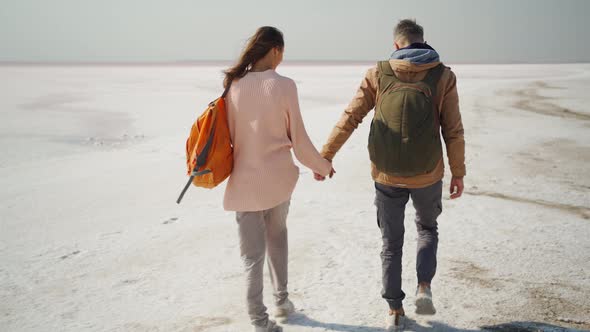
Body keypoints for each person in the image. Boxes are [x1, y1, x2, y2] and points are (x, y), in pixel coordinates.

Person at [316, 19, 466, 330]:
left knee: (391, 242)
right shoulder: (443, 75)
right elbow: (453, 130)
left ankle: (394, 311)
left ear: (397, 44)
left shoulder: (378, 73)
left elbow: (351, 117)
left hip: (386, 175)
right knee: (427, 228)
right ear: (423, 42)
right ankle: (423, 286)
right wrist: (458, 172)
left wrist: (326, 156)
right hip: (428, 173)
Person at [223, 26, 334, 332]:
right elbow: (298, 138)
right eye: (282, 53)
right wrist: (322, 166)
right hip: (277, 180)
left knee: (252, 257)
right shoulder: (284, 85)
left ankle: (262, 319)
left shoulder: (233, 84)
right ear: (275, 50)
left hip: (244, 182)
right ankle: (281, 303)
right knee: (278, 237)